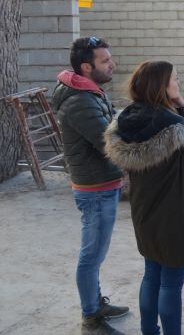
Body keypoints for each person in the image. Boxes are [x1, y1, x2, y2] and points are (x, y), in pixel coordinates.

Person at [104, 61, 184, 335]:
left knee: (151, 276)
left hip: (144, 211)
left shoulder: (127, 117)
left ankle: (149, 331)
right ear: (162, 86)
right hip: (175, 214)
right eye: (175, 80)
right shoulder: (173, 124)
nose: (179, 84)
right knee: (170, 284)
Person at [51, 37, 129, 335]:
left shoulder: (89, 92)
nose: (112, 65)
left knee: (95, 253)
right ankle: (91, 319)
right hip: (95, 189)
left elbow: (110, 126)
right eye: (105, 61)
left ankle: (95, 304)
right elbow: (109, 142)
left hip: (102, 183)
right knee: (92, 255)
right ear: (86, 67)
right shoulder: (80, 101)